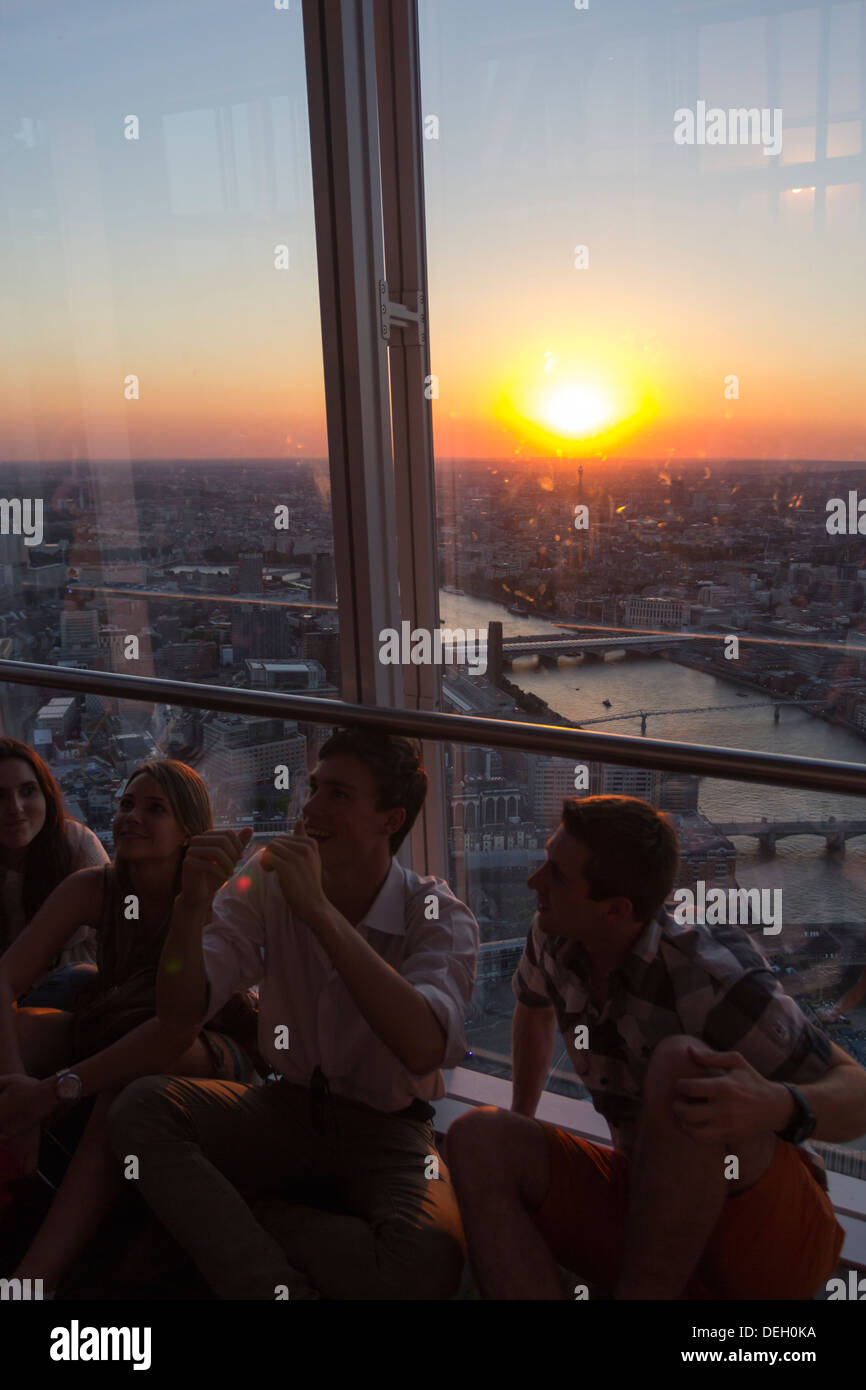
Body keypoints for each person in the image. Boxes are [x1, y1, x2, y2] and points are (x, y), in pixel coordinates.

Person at [106, 729, 480, 1300]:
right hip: (284, 1104)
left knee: (426, 1265)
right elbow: (180, 1013)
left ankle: (248, 1217)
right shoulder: (266, 883)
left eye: (337, 795)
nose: (309, 809)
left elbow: (426, 1046)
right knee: (141, 1109)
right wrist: (190, 906)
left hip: (391, 1129)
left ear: (391, 818)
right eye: (313, 789)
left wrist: (319, 914)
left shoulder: (435, 912)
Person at [446, 794, 866, 1300]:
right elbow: (533, 1011)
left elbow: (856, 1093)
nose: (534, 882)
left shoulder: (712, 977)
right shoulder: (554, 937)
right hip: (650, 1199)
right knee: (478, 1138)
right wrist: (522, 1119)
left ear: (616, 910)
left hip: (766, 1236)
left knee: (681, 1065)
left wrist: (775, 1104)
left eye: (556, 875)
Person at [0, 759, 258, 1296]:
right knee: (21, 1031)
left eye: (154, 809)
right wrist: (18, 1099)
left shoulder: (212, 901)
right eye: (126, 805)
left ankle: (32, 1282)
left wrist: (47, 1095)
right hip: (117, 1024)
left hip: (204, 1047)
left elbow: (173, 1031)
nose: (131, 818)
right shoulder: (95, 888)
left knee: (128, 1083)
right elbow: (3, 981)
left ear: (189, 830)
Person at [0, 738, 107, 1010]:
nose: (15, 808)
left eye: (27, 791)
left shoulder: (78, 845)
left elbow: (129, 904)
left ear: (46, 794)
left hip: (71, 992)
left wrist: (137, 907)